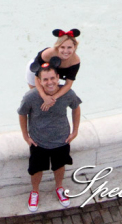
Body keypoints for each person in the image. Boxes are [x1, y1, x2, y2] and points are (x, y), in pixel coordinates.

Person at [18, 61, 81, 212]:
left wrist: (75, 131)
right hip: (38, 141)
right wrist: (26, 136)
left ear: (58, 77)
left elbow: (76, 108)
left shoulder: (68, 94)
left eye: (52, 78)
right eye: (45, 79)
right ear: (39, 81)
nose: (50, 82)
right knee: (36, 169)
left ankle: (59, 188)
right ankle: (35, 191)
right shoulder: (31, 97)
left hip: (61, 139)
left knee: (59, 166)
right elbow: (22, 114)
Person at [26, 28, 81, 111]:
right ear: (57, 47)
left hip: (54, 72)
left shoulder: (75, 61)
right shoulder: (47, 54)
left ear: (75, 47)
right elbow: (37, 77)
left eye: (69, 47)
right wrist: (44, 96)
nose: (66, 51)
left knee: (52, 95)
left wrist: (53, 98)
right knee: (36, 95)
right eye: (62, 47)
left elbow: (68, 84)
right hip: (37, 70)